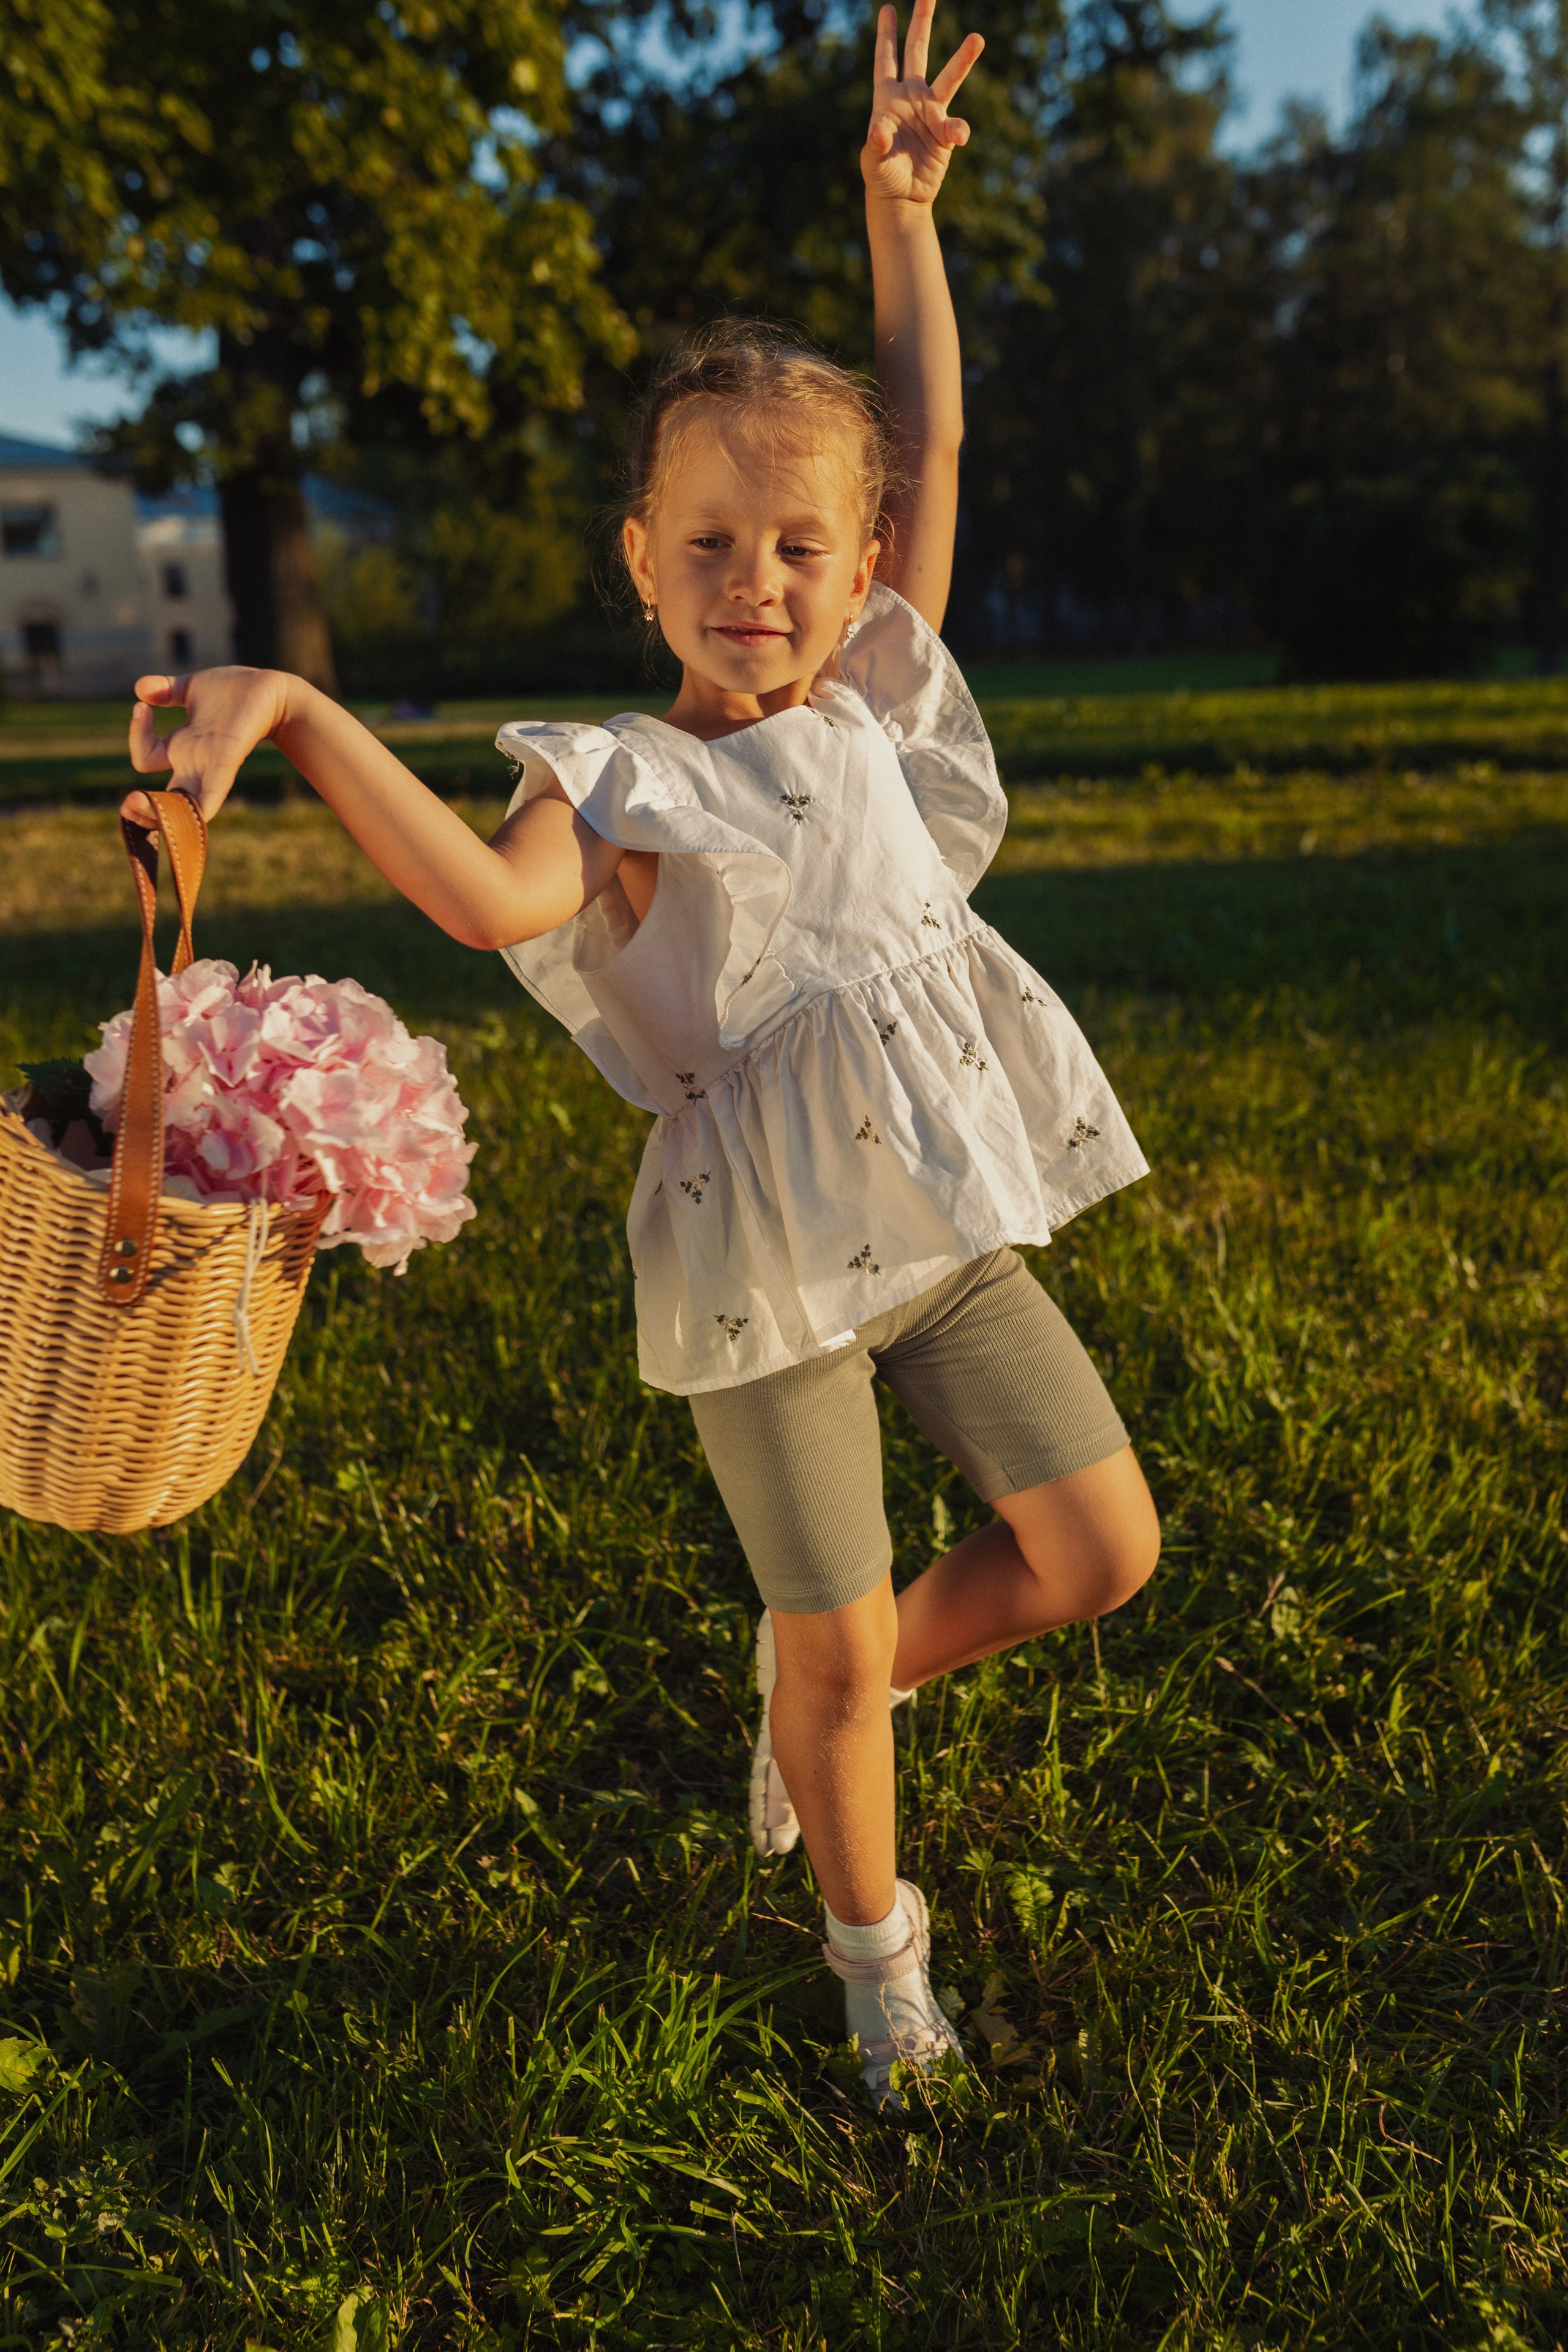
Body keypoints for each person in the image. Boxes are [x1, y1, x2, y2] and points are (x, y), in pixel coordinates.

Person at [123, 0, 1160, 2113]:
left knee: (1095, 1551)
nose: (756, 583)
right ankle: (881, 1965)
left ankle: (807, 1694)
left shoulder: (873, 688)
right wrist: (309, 720)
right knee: (847, 1642)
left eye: (799, 545)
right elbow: (492, 912)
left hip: (935, 1207)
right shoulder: (606, 783)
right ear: (639, 561)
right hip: (767, 1252)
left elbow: (935, 437)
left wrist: (900, 220)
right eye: (706, 544)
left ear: (860, 565)